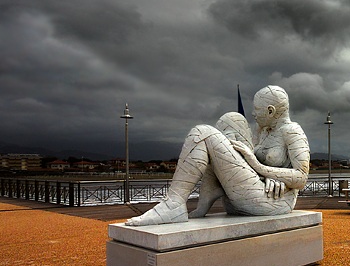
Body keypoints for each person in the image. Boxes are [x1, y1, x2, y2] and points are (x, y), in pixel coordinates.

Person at [126, 85, 310, 226]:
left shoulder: (292, 132)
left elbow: (301, 178)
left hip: (273, 201)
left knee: (203, 132)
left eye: (257, 109)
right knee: (231, 118)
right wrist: (267, 174)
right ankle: (211, 190)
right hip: (253, 189)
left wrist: (260, 167)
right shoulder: (263, 130)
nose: (253, 113)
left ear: (271, 111)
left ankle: (174, 204)